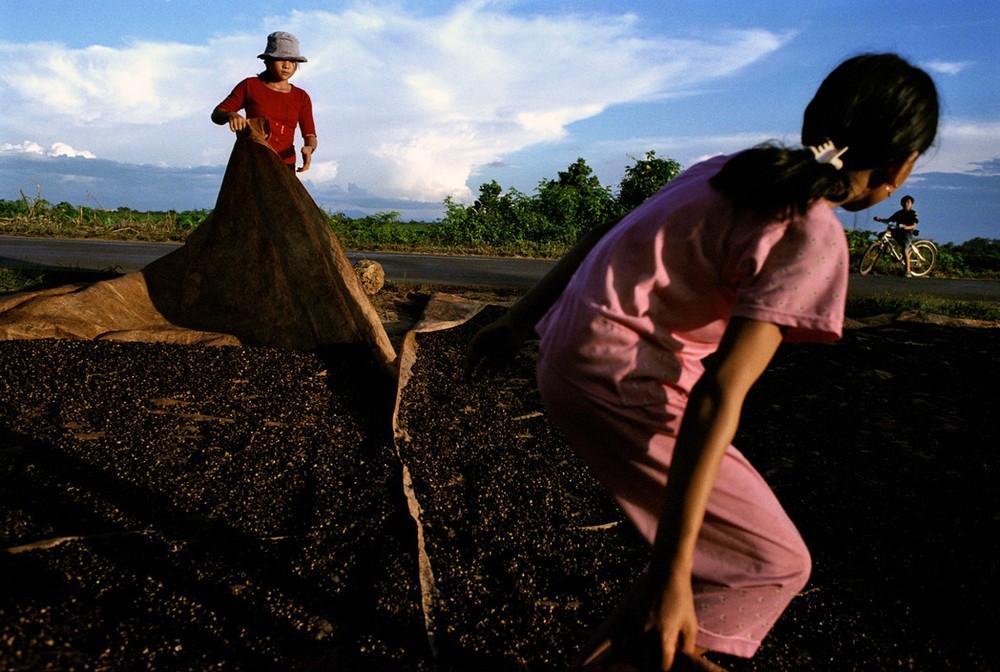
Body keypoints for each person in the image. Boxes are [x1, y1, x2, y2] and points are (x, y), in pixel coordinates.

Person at [468, 53, 938, 671]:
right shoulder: (811, 233)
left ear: (812, 122)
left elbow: (597, 236)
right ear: (902, 165)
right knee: (768, 562)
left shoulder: (725, 172)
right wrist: (670, 575)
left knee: (696, 561)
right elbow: (719, 392)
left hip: (568, 358)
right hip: (624, 381)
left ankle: (637, 634)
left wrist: (515, 322)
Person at [212, 31, 317, 172]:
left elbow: (310, 135)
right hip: (252, 164)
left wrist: (309, 148)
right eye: (280, 59)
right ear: (267, 61)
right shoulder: (250, 86)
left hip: (285, 166)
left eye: (292, 61)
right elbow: (217, 114)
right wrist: (231, 115)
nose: (287, 65)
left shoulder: (301, 97)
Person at [874, 195, 920, 276]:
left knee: (905, 250)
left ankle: (908, 271)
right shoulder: (899, 213)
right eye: (904, 202)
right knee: (883, 234)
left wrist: (906, 227)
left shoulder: (913, 213)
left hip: (907, 233)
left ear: (911, 204)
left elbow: (914, 225)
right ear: (901, 203)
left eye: (908, 202)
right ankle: (886, 247)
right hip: (897, 231)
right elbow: (889, 220)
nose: (906, 204)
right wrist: (880, 219)